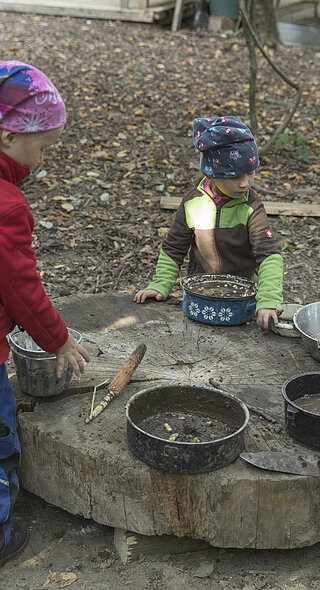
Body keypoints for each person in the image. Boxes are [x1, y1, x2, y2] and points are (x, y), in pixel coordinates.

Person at [0, 61, 89, 567]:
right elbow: (19, 287)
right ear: (11, 136)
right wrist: (57, 338)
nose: (44, 159)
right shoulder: (8, 205)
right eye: (44, 147)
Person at [134, 116, 283, 330]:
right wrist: (160, 284)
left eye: (250, 173)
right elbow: (173, 248)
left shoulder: (251, 205)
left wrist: (268, 300)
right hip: (202, 295)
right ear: (211, 174)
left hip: (244, 297)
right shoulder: (192, 203)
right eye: (234, 176)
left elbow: (269, 255)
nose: (244, 183)